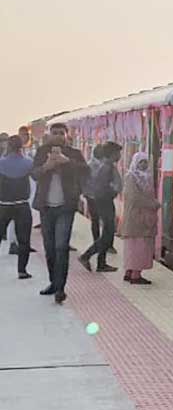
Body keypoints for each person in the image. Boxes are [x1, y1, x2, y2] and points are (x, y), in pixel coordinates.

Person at [32, 124, 88, 304]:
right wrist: (47, 166)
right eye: (54, 133)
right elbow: (34, 174)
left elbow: (86, 171)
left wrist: (67, 162)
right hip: (46, 207)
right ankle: (53, 283)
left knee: (61, 247)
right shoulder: (42, 152)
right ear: (49, 135)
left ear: (66, 136)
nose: (57, 136)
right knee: (49, 248)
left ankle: (60, 289)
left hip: (65, 207)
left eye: (61, 133)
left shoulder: (74, 154)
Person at [79, 142, 122, 273]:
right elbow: (100, 187)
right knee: (107, 235)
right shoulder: (106, 168)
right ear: (112, 154)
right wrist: (112, 192)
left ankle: (101, 263)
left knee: (107, 234)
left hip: (105, 201)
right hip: (105, 202)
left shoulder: (107, 166)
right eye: (118, 153)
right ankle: (87, 256)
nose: (119, 155)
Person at [120, 152, 159, 285]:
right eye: (141, 162)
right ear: (135, 162)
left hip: (144, 219)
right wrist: (153, 204)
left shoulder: (146, 177)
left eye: (145, 162)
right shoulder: (131, 177)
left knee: (134, 246)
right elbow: (134, 197)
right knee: (139, 247)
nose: (143, 165)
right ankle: (136, 275)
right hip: (136, 218)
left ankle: (129, 272)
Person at [0, 136, 33, 278]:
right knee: (24, 240)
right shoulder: (28, 162)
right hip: (22, 205)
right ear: (21, 146)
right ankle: (22, 271)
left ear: (8, 146)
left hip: (3, 205)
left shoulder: (1, 163)